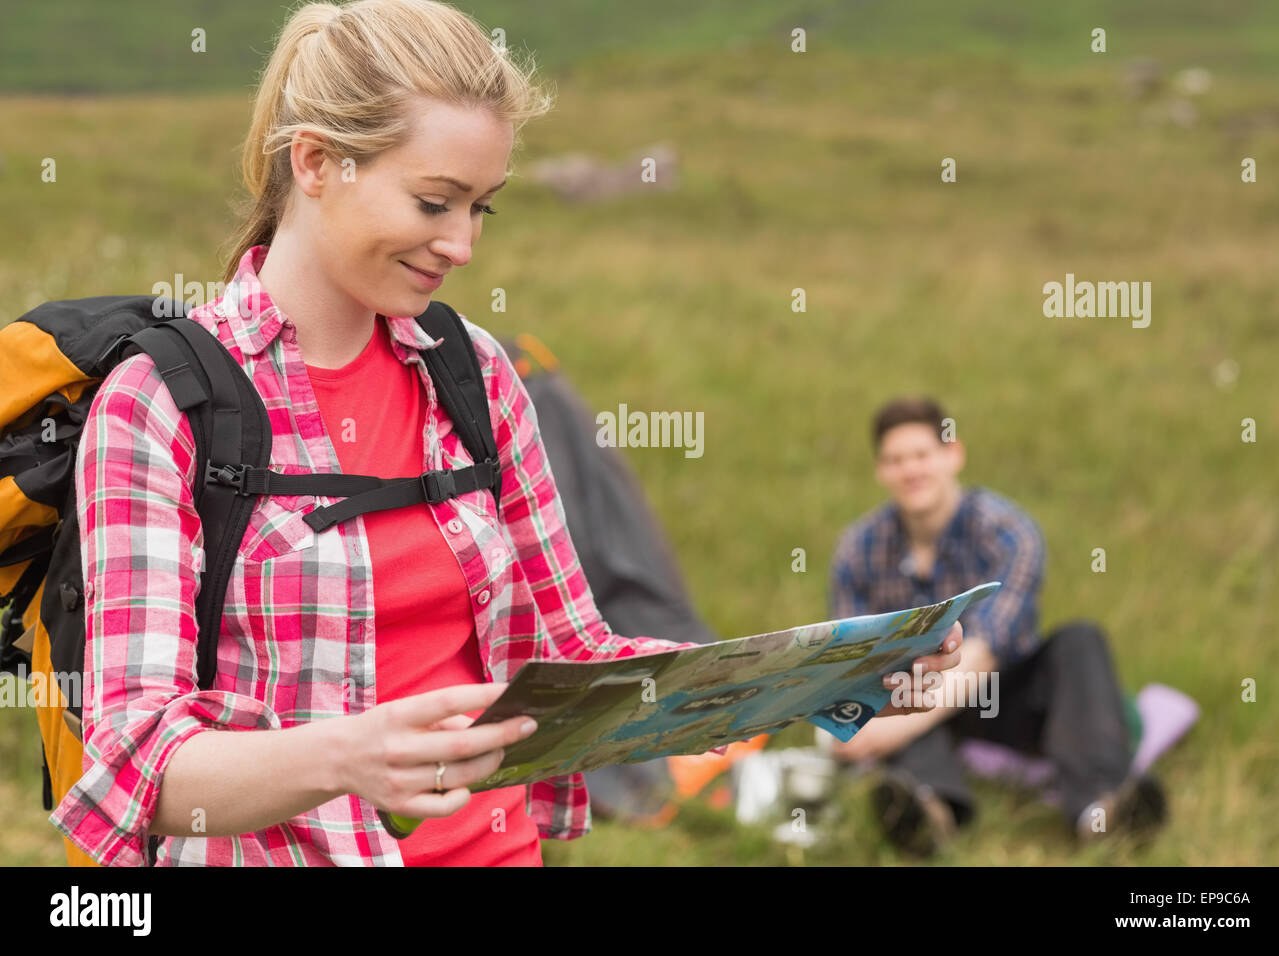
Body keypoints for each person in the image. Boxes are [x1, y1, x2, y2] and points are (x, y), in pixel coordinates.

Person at [49, 1, 964, 867]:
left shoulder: (475, 372)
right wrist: (347, 756)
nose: (462, 244)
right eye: (434, 201)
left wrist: (834, 672)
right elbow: (140, 763)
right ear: (318, 162)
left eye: (481, 206)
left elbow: (580, 665)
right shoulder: (162, 403)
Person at [827, 396, 1166, 857]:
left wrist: (879, 735)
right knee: (898, 680)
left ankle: (1100, 810)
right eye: (895, 460)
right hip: (914, 690)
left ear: (953, 455)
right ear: (881, 472)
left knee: (1081, 640)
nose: (910, 470)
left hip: (1002, 692)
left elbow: (985, 652)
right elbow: (851, 662)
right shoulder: (858, 550)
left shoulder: (1008, 531)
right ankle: (929, 813)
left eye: (922, 455)